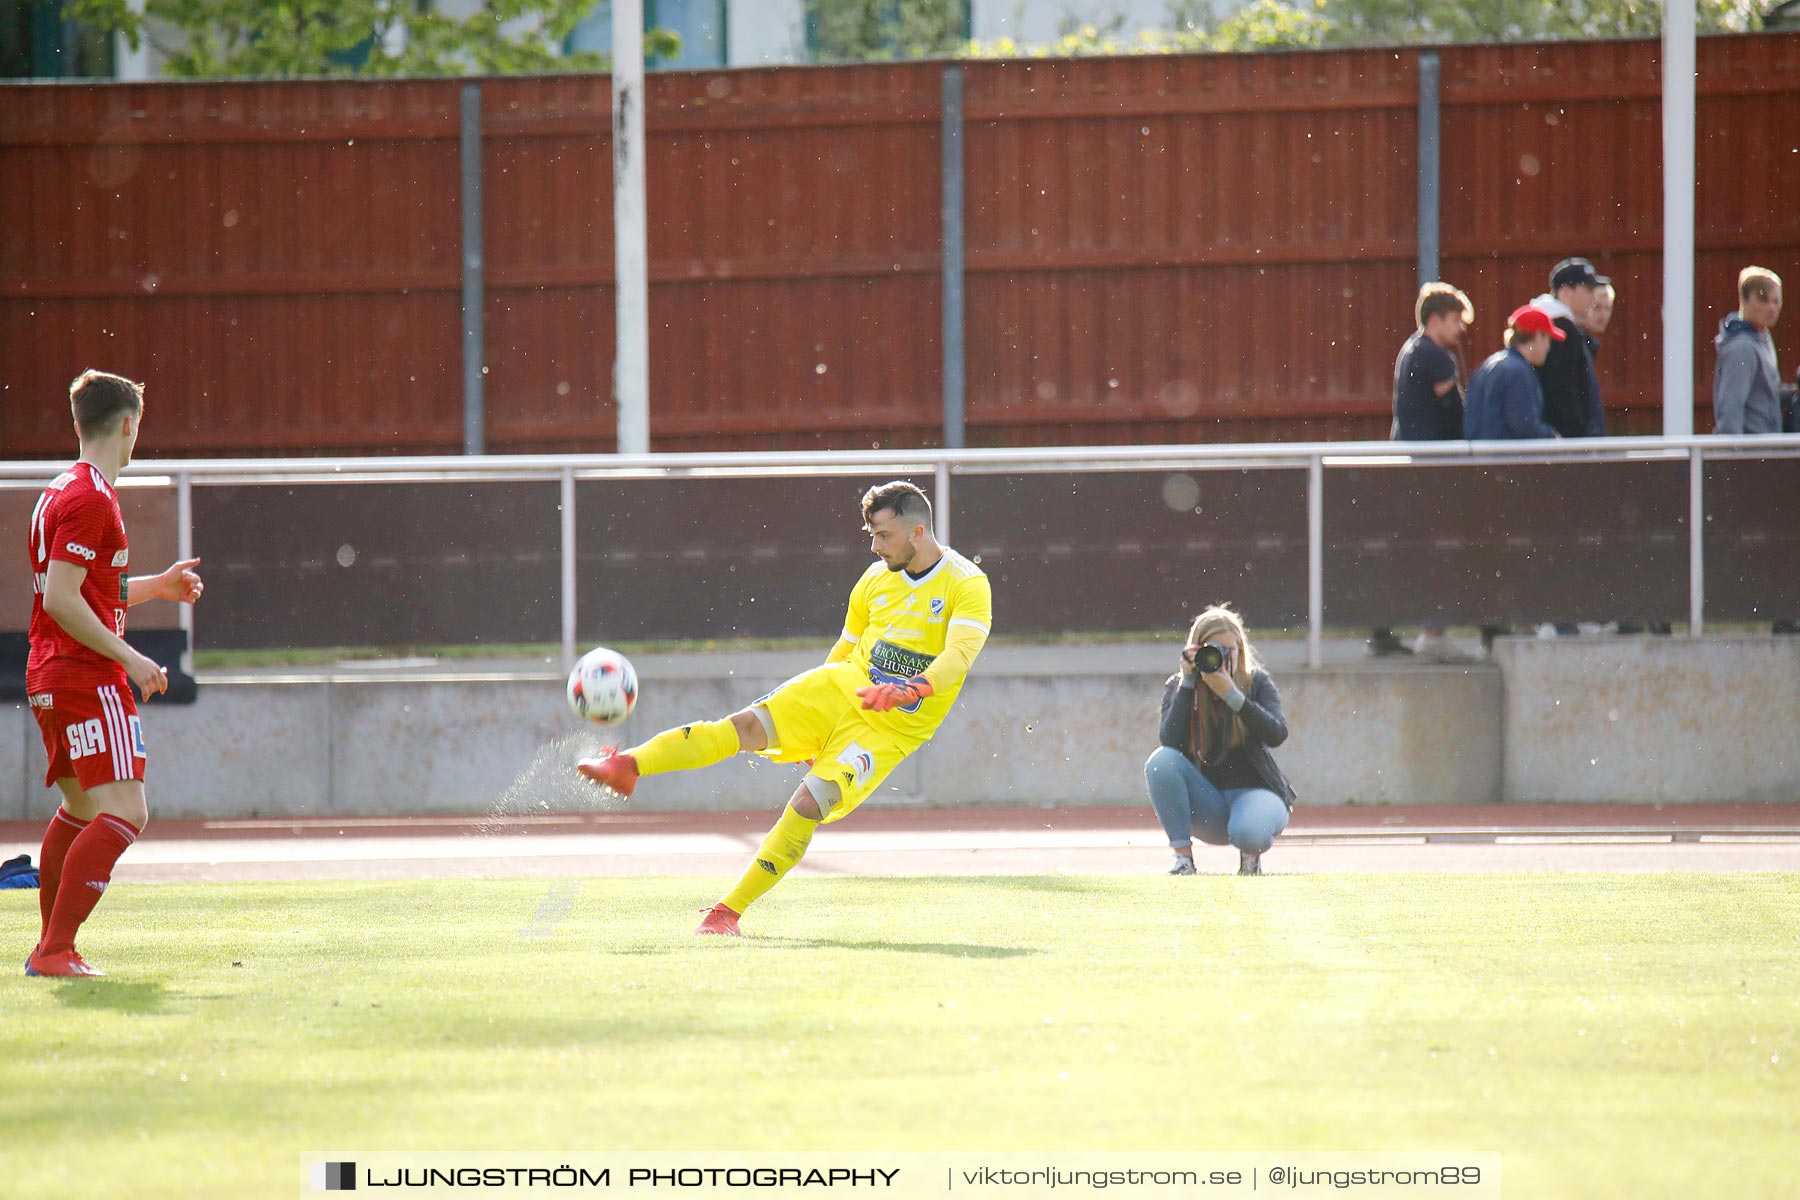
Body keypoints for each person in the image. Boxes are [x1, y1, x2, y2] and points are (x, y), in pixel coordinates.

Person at [575, 480, 992, 935]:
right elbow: (844, 650)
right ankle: (629, 764)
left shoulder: (967, 583)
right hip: (842, 688)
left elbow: (958, 657)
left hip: (892, 729)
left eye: (883, 535)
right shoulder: (873, 581)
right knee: (742, 727)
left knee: (809, 803)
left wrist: (912, 689)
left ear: (917, 532)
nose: (874, 547)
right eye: (870, 534)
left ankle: (726, 912)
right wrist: (819, 719)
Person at [24, 369, 204, 978]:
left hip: (50, 674)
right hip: (86, 675)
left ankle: (49, 947)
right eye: (138, 427)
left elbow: (95, 588)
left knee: (78, 809)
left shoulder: (60, 491)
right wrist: (130, 658)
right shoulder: (91, 498)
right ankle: (55, 950)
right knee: (128, 811)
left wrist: (161, 586)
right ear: (127, 424)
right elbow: (60, 598)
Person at [1145, 605, 1293, 877]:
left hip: (1256, 794)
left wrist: (1233, 696)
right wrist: (1188, 684)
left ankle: (1250, 861)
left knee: (1250, 831)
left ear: (1241, 650)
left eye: (1229, 650)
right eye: (1213, 650)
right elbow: (1170, 742)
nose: (1222, 657)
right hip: (1208, 805)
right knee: (1160, 762)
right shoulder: (1180, 686)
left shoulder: (1255, 682)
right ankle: (1183, 862)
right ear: (1196, 651)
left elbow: (1277, 734)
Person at [1372, 281, 1474, 661]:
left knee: (1403, 548)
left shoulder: (1409, 351)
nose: (1460, 329)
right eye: (1455, 320)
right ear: (1435, 319)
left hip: (1406, 462)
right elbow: (1454, 416)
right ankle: (1433, 629)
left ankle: (1382, 629)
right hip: (1429, 470)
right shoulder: (1436, 359)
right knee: (1434, 549)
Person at [1529, 258, 1609, 438]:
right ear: (1565, 292)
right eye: (1588, 290)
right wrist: (1580, 437)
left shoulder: (1552, 328)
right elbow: (1563, 393)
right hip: (1569, 447)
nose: (1593, 298)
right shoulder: (1563, 333)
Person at [1464, 305, 1563, 440]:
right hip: (1505, 458)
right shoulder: (1519, 373)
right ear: (1539, 335)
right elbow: (1525, 427)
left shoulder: (1485, 367)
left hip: (1477, 457)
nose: (1548, 347)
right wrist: (1551, 435)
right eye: (1548, 339)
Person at [1713, 266, 1784, 435]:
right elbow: (1731, 409)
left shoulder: (1762, 339)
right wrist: (1735, 457)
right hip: (1751, 452)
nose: (1771, 308)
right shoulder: (1742, 348)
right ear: (1743, 301)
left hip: (1763, 449)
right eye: (1763, 300)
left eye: (1776, 301)